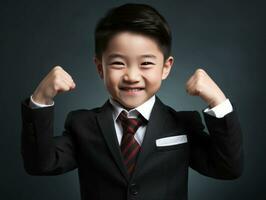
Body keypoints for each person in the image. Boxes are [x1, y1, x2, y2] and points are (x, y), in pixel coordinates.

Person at [20, 3, 243, 200]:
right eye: (118, 63)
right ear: (100, 68)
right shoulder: (82, 125)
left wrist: (218, 101)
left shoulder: (182, 124)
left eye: (146, 63)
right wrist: (41, 98)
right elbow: (41, 164)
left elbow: (228, 168)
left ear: (166, 67)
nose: (132, 76)